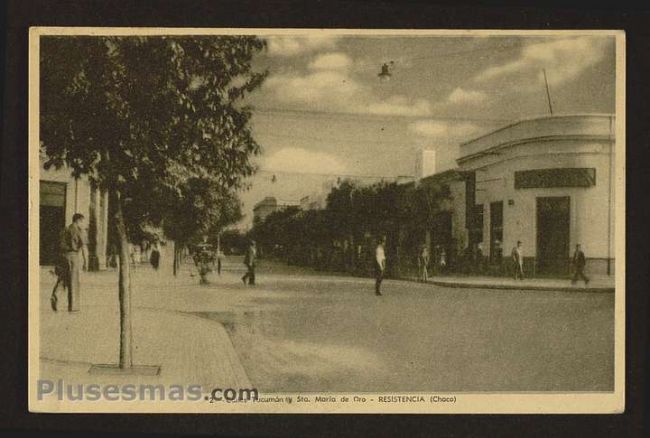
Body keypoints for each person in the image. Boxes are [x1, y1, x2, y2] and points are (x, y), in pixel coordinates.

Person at [50, 213, 87, 312]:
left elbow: (57, 245)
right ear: (78, 221)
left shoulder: (64, 229)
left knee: (63, 278)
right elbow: (83, 247)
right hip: (72, 257)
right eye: (83, 222)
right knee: (73, 281)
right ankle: (73, 307)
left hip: (62, 256)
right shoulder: (79, 231)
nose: (83, 224)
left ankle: (56, 295)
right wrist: (86, 262)